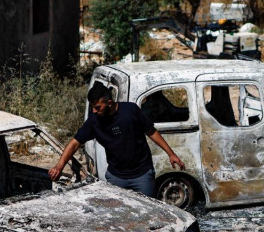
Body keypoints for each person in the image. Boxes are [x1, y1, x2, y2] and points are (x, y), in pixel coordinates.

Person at [48, 83, 184, 196]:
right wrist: (59, 166)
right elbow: (74, 143)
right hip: (116, 177)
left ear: (109, 103)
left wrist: (171, 154)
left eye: (97, 108)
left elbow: (151, 132)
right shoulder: (94, 121)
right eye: (92, 108)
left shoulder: (131, 111)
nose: (94, 111)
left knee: (147, 217)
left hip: (142, 176)